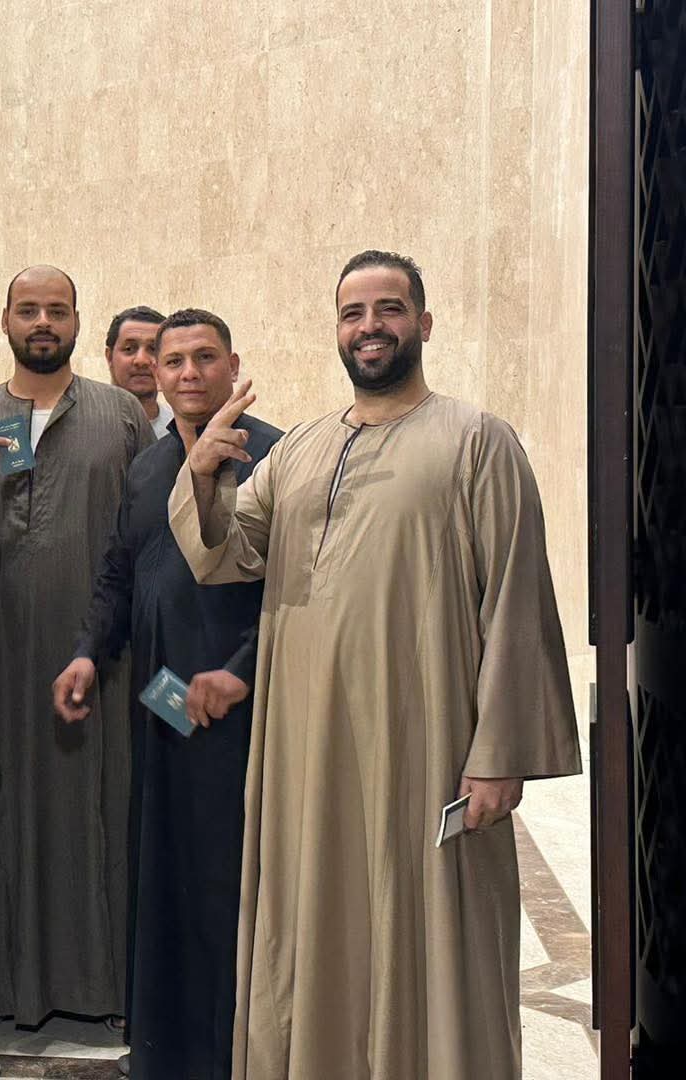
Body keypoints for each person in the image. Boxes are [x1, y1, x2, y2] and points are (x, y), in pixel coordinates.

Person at [169, 251, 582, 1079]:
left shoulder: (478, 441)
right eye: (353, 313)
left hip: (425, 743)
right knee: (314, 927)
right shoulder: (301, 449)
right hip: (307, 753)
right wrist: (203, 474)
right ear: (337, 330)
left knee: (430, 926)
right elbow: (228, 553)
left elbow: (516, 599)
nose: (370, 327)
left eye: (389, 309)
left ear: (422, 323)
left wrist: (500, 754)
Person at [55, 309, 281, 1078]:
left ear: (233, 365)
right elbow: (120, 576)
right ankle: (166, 1049)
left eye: (204, 358)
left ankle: (234, 1052)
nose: (188, 373)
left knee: (229, 886)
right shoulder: (150, 469)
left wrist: (243, 668)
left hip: (240, 714)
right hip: (159, 704)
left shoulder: (273, 458)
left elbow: (296, 593)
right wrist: (88, 653)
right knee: (163, 879)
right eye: (172, 359)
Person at [0, 265, 154, 1027]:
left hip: (97, 662)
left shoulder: (119, 416)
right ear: (4, 320)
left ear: (75, 322)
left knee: (98, 814)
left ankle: (103, 987)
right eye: (28, 310)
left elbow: (145, 540)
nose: (42, 323)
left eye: (56, 311)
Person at [104, 305, 172, 439]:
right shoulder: (84, 425)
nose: (141, 360)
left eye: (153, 349)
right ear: (109, 357)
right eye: (129, 349)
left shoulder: (178, 430)